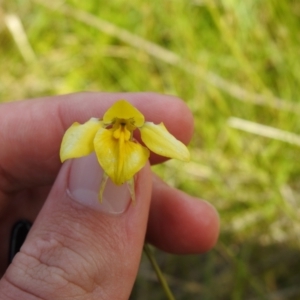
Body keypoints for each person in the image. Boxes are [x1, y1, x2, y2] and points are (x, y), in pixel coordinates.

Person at [0, 92, 219, 299]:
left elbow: (177, 149)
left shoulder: (143, 130)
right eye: (118, 124)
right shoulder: (96, 127)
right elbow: (70, 146)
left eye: (126, 125)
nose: (122, 129)